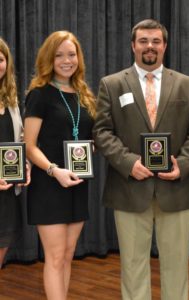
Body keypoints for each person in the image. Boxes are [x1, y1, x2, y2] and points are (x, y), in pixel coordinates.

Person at [92, 19, 189, 300]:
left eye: (156, 41)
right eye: (143, 41)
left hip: (176, 189)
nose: (150, 46)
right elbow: (102, 132)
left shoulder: (186, 84)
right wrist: (129, 162)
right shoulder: (112, 84)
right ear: (133, 45)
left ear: (165, 46)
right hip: (129, 188)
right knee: (132, 266)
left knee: (177, 266)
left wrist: (183, 164)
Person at [24, 31, 95, 300]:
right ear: (48, 59)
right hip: (50, 184)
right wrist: (55, 170)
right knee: (54, 258)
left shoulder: (83, 94)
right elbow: (30, 146)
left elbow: (85, 136)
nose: (67, 60)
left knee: (67, 255)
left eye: (71, 54)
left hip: (77, 183)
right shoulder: (39, 95)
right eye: (59, 55)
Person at [0, 37, 30, 269]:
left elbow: (19, 140)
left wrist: (25, 165)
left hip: (7, 190)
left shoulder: (11, 100)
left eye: (0, 59)